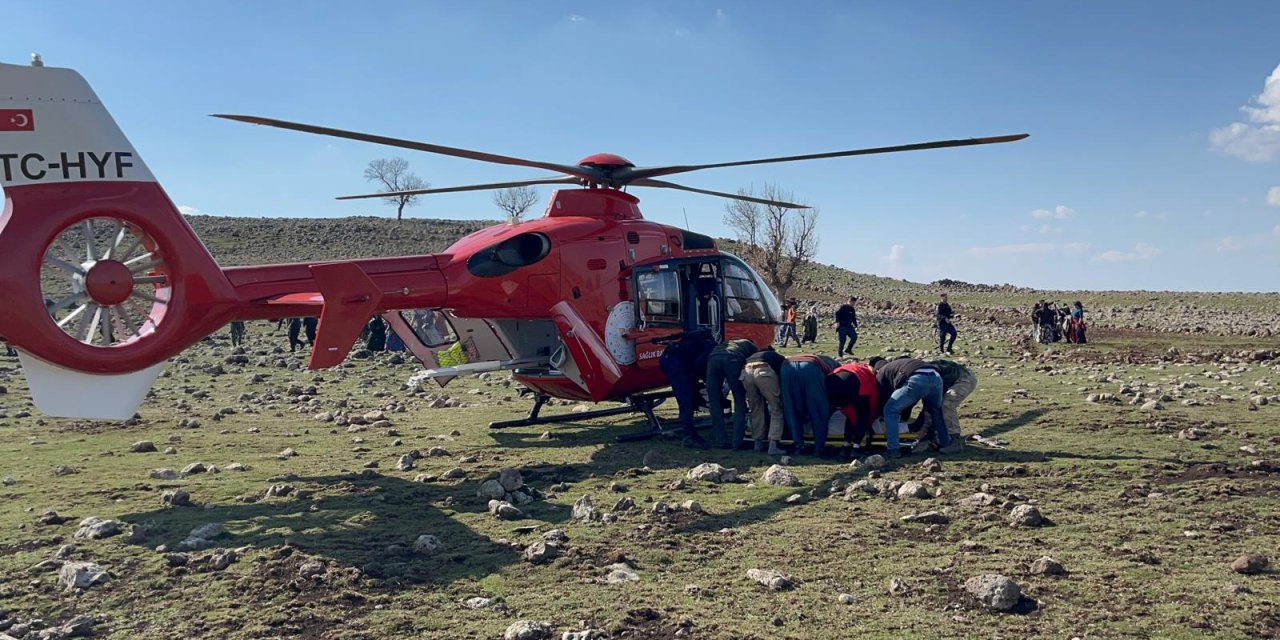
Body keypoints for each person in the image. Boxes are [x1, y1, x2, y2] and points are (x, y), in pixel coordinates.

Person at [871, 356, 950, 457]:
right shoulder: (899, 365)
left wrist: (877, 415)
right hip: (936, 377)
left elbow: (881, 396)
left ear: (877, 370)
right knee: (935, 411)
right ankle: (945, 443)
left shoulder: (881, 373)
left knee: (890, 410)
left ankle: (893, 449)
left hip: (916, 379)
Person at [658, 328, 717, 448]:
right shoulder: (710, 345)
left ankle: (689, 431)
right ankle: (688, 436)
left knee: (687, 395)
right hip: (678, 364)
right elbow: (701, 363)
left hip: (668, 358)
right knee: (686, 400)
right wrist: (706, 381)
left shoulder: (692, 341)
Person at [908, 358, 977, 452]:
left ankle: (954, 439)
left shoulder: (927, 375)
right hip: (947, 380)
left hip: (964, 377)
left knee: (947, 404)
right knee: (932, 407)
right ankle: (934, 438)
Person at [780, 353, 838, 456]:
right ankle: (818, 448)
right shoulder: (834, 366)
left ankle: (798, 446)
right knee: (818, 409)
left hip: (786, 368)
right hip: (810, 368)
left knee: (791, 407)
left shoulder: (817, 358)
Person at [706, 337, 757, 449]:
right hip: (733, 358)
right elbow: (756, 361)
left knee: (714, 401)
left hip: (713, 359)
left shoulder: (727, 343)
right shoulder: (750, 344)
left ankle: (720, 440)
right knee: (739, 400)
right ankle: (737, 441)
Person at [825, 360, 879, 453]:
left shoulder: (852, 366)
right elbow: (873, 400)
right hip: (855, 384)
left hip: (831, 382)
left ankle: (845, 446)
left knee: (850, 415)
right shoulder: (869, 374)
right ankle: (856, 447)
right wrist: (871, 419)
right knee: (862, 415)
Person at [742, 345, 787, 455]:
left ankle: (758, 442)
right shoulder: (777, 357)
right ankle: (773, 444)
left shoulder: (753, 355)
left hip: (746, 371)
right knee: (776, 407)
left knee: (755, 407)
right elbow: (783, 374)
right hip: (764, 370)